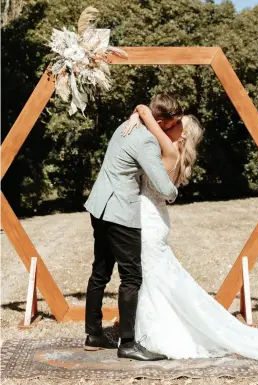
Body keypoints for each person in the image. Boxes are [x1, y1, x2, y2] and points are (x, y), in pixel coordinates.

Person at [124, 104, 258, 360]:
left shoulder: (167, 151)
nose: (170, 128)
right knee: (155, 279)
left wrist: (139, 113)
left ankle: (158, 336)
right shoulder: (174, 156)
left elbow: (149, 124)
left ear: (181, 135)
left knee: (150, 278)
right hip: (154, 219)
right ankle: (153, 331)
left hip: (149, 220)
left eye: (175, 126)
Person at [84, 94, 183, 361]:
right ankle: (128, 344)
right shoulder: (147, 140)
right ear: (160, 122)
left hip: (99, 206)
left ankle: (93, 334)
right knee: (131, 277)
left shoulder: (124, 127)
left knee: (100, 271)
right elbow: (163, 187)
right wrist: (174, 192)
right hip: (120, 212)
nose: (173, 129)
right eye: (172, 125)